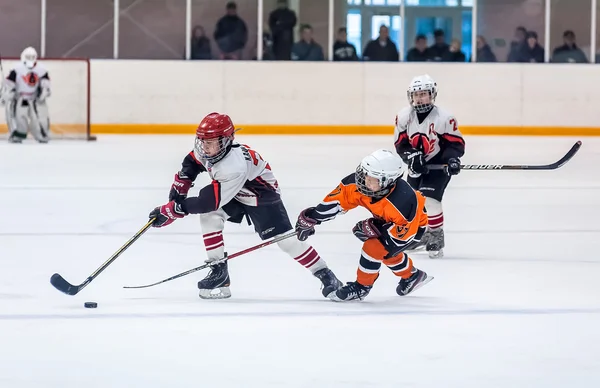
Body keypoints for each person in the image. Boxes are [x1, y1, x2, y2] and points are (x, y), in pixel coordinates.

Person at [148, 112, 342, 299]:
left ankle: (324, 273)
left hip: (262, 197)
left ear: (225, 141)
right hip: (234, 194)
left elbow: (209, 201)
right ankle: (219, 272)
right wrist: (178, 191)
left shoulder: (233, 166)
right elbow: (191, 162)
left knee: (286, 241)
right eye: (202, 141)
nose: (204, 148)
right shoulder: (212, 151)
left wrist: (173, 210)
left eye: (210, 143)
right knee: (210, 217)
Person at [295, 149, 432, 301]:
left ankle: (362, 287)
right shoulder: (358, 184)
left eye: (373, 178)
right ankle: (412, 276)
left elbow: (400, 238)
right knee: (379, 247)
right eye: (365, 174)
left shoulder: (404, 203)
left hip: (412, 227)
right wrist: (312, 217)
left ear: (388, 181)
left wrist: (376, 229)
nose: (365, 180)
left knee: (374, 248)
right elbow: (337, 201)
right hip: (388, 220)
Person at [394, 74, 465, 258]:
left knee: (429, 199)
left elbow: (456, 144)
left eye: (424, 94)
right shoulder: (403, 117)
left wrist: (452, 160)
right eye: (416, 94)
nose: (419, 98)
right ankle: (420, 235)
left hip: (438, 165)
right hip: (416, 165)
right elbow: (400, 144)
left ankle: (435, 235)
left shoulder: (444, 118)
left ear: (432, 94)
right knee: (412, 202)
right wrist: (411, 156)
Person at [0, 47, 51, 143]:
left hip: (35, 100)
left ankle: (41, 134)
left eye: (32, 56)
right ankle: (18, 134)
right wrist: (6, 95)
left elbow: (45, 83)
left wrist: (44, 92)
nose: (30, 59)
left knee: (38, 119)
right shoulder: (16, 69)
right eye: (28, 56)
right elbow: (10, 84)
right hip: (20, 99)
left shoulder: (42, 70)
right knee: (19, 117)